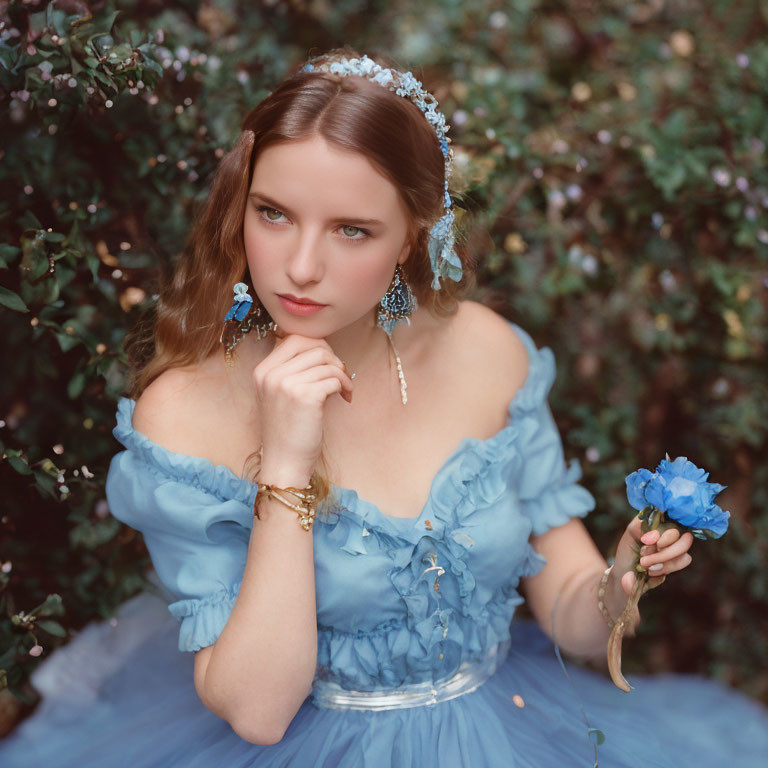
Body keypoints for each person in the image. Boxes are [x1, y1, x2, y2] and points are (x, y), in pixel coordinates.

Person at [2, 46, 768, 767]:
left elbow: (571, 613)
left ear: (410, 238)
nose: (301, 266)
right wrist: (289, 462)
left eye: (352, 230)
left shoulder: (486, 350)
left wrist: (624, 577)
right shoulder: (186, 413)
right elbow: (259, 712)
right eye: (273, 213)